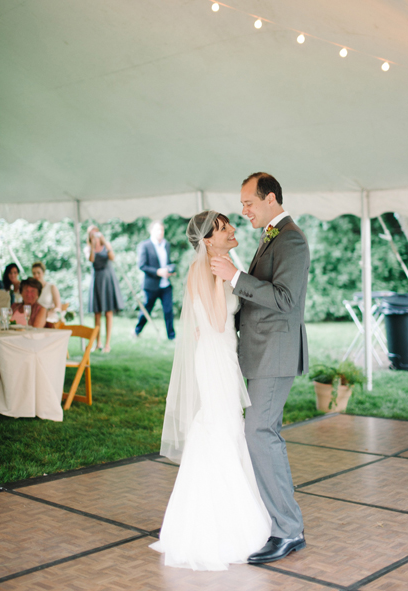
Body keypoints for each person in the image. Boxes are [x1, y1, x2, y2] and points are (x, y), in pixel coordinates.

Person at [151, 211, 270, 570]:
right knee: (223, 430)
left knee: (222, 429)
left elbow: (210, 322)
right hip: (215, 359)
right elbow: (218, 321)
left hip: (219, 354)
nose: (231, 229)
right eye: (223, 228)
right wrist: (223, 281)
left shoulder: (219, 262)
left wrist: (227, 275)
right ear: (208, 240)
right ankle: (223, 530)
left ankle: (211, 521)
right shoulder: (207, 268)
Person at [210, 172, 309, 564]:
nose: (243, 210)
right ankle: (283, 524)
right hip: (260, 352)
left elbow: (286, 300)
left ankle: (287, 530)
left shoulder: (291, 239)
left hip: (276, 354)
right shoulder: (272, 237)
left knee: (260, 433)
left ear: (270, 199)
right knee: (263, 433)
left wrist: (235, 277)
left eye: (248, 203)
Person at [135, 221, 177, 339]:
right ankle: (137, 331)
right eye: (158, 230)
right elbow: (142, 265)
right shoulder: (145, 245)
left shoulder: (166, 244)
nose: (161, 232)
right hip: (151, 284)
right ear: (151, 231)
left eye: (162, 230)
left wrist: (169, 270)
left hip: (166, 285)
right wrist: (158, 272)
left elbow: (166, 262)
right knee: (146, 309)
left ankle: (171, 336)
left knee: (168, 310)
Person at [86, 226, 125, 352]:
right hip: (97, 279)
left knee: (108, 312)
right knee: (97, 313)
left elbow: (112, 257)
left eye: (95, 232)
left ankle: (107, 344)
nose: (94, 235)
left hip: (108, 279)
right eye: (91, 233)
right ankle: (98, 343)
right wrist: (92, 246)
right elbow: (91, 260)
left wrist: (104, 241)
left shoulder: (106, 244)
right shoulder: (88, 248)